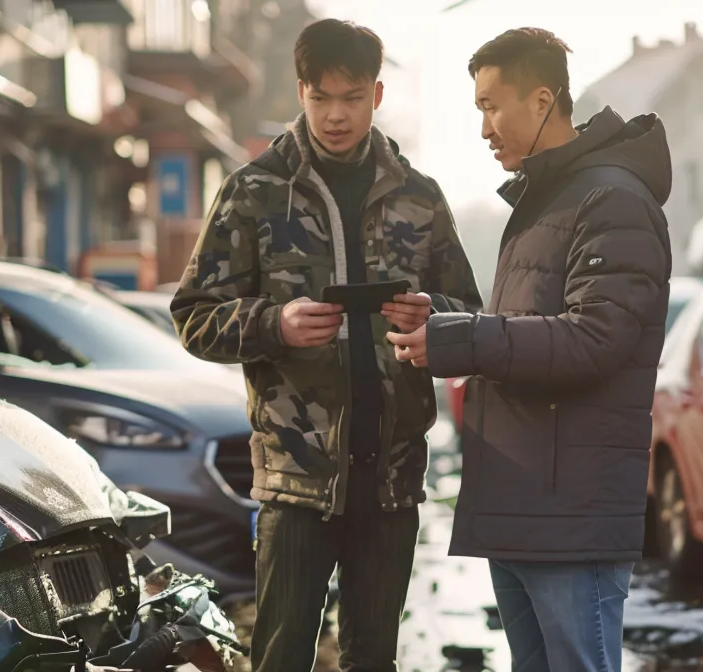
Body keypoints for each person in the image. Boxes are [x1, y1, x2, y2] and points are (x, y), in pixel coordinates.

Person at [171, 18, 481, 672]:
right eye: (320, 98)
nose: (335, 115)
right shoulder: (254, 193)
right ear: (301, 90)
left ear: (377, 94)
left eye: (351, 98)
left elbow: (469, 314)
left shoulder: (419, 199)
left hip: (392, 483)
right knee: (282, 656)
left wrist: (433, 315)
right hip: (294, 484)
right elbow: (194, 315)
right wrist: (272, 325)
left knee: (373, 660)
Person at [387, 27, 672, 672]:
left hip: (571, 515)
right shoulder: (547, 198)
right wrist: (450, 320)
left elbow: (593, 339)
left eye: (493, 105)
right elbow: (527, 328)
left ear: (543, 102)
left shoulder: (612, 199)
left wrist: (461, 339)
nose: (484, 128)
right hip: (526, 504)